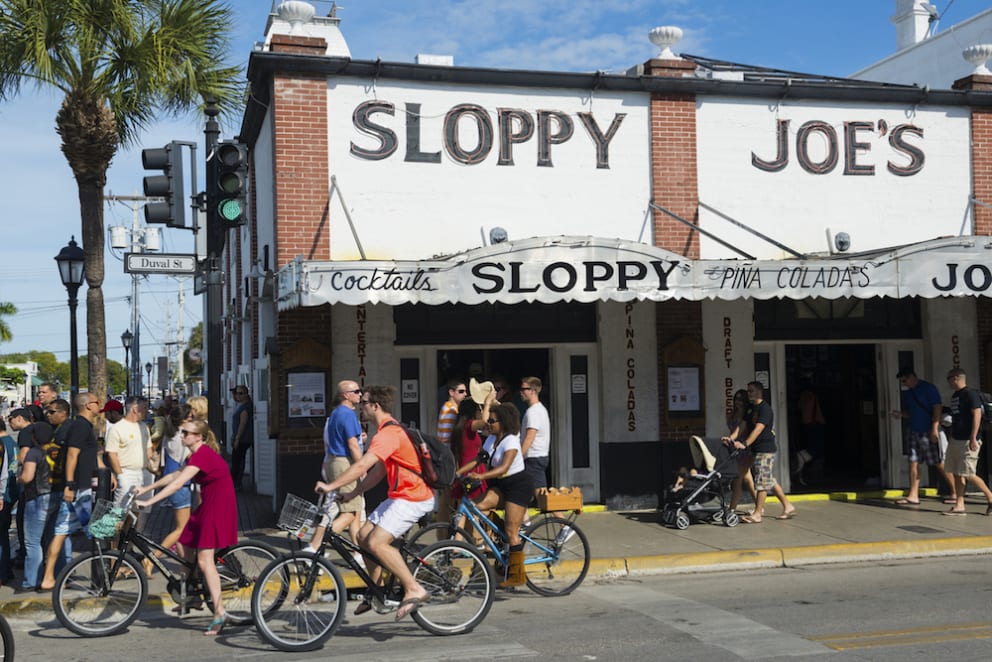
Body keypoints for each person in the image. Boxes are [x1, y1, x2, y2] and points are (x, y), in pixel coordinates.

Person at [315, 385, 435, 621]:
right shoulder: (386, 431)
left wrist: (330, 486)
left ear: (375, 406)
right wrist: (354, 492)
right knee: (361, 537)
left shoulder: (388, 433)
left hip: (414, 497)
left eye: (364, 403)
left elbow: (361, 466)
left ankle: (414, 588)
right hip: (399, 495)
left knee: (378, 542)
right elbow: (379, 471)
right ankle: (378, 590)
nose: (361, 406)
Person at [136, 418, 237, 635]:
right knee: (183, 545)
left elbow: (177, 484)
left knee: (204, 560)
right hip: (208, 505)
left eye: (187, 433)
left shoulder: (203, 454)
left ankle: (219, 613)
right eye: (182, 432)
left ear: (199, 436)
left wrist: (149, 501)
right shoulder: (194, 455)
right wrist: (147, 487)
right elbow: (175, 475)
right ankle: (191, 595)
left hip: (218, 506)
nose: (182, 436)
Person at [459, 402, 532, 587]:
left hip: (517, 486)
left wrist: (481, 475)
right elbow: (478, 460)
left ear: (503, 422)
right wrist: (457, 474)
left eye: (492, 421)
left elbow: (504, 467)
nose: (488, 424)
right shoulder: (492, 439)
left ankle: (517, 575)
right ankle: (501, 540)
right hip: (500, 485)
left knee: (511, 531)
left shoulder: (511, 440)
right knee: (476, 506)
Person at [39, 395, 101, 590]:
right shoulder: (80, 426)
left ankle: (48, 578)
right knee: (96, 531)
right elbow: (72, 456)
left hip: (81, 487)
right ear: (88, 405)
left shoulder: (84, 426)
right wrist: (70, 484)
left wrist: (103, 472)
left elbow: (91, 454)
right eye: (97, 402)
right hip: (79, 489)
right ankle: (104, 572)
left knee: (61, 532)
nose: (99, 405)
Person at [722, 381, 796, 523]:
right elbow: (742, 426)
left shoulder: (765, 409)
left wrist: (744, 444)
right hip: (754, 449)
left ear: (759, 392)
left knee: (762, 481)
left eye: (751, 391)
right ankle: (788, 506)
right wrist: (731, 438)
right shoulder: (751, 409)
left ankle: (757, 513)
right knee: (764, 478)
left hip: (765, 449)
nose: (749, 393)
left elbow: (758, 429)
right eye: (748, 391)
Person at [308, 380, 365, 557]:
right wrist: (362, 466)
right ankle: (316, 548)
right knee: (348, 512)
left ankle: (359, 553)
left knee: (354, 510)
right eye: (356, 391)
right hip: (345, 463)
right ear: (346, 395)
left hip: (334, 462)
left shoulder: (335, 414)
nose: (360, 394)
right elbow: (352, 444)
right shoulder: (348, 414)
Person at [889, 369, 956, 506]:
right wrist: (901, 414)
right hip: (914, 430)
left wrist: (934, 428)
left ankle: (956, 492)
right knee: (913, 462)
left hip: (928, 429)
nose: (904, 384)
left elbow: (937, 407)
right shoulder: (909, 393)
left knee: (938, 462)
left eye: (905, 380)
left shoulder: (928, 388)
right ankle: (913, 495)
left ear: (912, 376)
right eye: (902, 381)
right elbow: (912, 412)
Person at [141, 405, 191, 578]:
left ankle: (186, 564)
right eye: (190, 416)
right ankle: (152, 558)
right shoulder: (182, 438)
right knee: (180, 529)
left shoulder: (169, 435)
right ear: (184, 419)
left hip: (172, 481)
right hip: (180, 484)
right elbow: (187, 461)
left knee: (183, 530)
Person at [16, 420, 60, 591]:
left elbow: (27, 477)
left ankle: (31, 581)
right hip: (57, 495)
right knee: (51, 538)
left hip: (37, 498)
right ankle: (52, 575)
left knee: (33, 542)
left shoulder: (34, 452)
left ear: (34, 437)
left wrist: (18, 478)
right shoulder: (58, 450)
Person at [943, 368, 992, 516]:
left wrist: (973, 437)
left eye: (949, 378)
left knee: (969, 473)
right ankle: (959, 505)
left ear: (957, 377)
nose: (949, 381)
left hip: (968, 440)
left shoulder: (970, 393)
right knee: (957, 472)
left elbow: (976, 413)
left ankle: (990, 496)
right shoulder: (955, 395)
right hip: (956, 438)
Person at [105, 396, 152, 515]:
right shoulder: (117, 428)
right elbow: (111, 453)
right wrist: (120, 475)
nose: (148, 410)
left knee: (141, 508)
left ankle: (134, 532)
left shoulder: (144, 427)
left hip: (144, 472)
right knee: (120, 510)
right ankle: (116, 533)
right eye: (145, 407)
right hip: (127, 473)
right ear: (135, 409)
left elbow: (148, 448)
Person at [727, 388, 757, 513]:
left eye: (740, 399)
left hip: (745, 448)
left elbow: (741, 430)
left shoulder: (747, 415)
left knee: (737, 479)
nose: (738, 402)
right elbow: (733, 431)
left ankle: (731, 509)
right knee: (747, 478)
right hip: (735, 448)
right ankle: (759, 505)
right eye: (736, 399)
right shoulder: (731, 414)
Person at [520, 376, 550, 495]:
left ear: (533, 391)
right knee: (523, 495)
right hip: (536, 457)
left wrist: (519, 456)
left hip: (533, 457)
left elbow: (530, 436)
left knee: (542, 497)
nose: (521, 392)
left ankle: (557, 514)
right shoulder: (538, 409)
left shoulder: (533, 412)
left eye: (524, 389)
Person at [0, 418, 17, 585]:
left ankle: (3, 572)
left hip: (3, 495)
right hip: (8, 494)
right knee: (3, 534)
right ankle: (6, 571)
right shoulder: (9, 443)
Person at [229, 385, 254, 490]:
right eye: (236, 393)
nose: (237, 395)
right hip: (239, 437)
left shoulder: (245, 407)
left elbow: (242, 423)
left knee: (236, 461)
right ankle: (237, 483)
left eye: (240, 393)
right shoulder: (240, 405)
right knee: (239, 460)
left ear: (246, 394)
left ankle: (235, 483)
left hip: (243, 439)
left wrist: (237, 438)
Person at [436, 378, 467, 445]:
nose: (465, 394)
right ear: (451, 392)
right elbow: (445, 437)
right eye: (461, 391)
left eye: (465, 391)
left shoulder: (447, 406)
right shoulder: (450, 410)